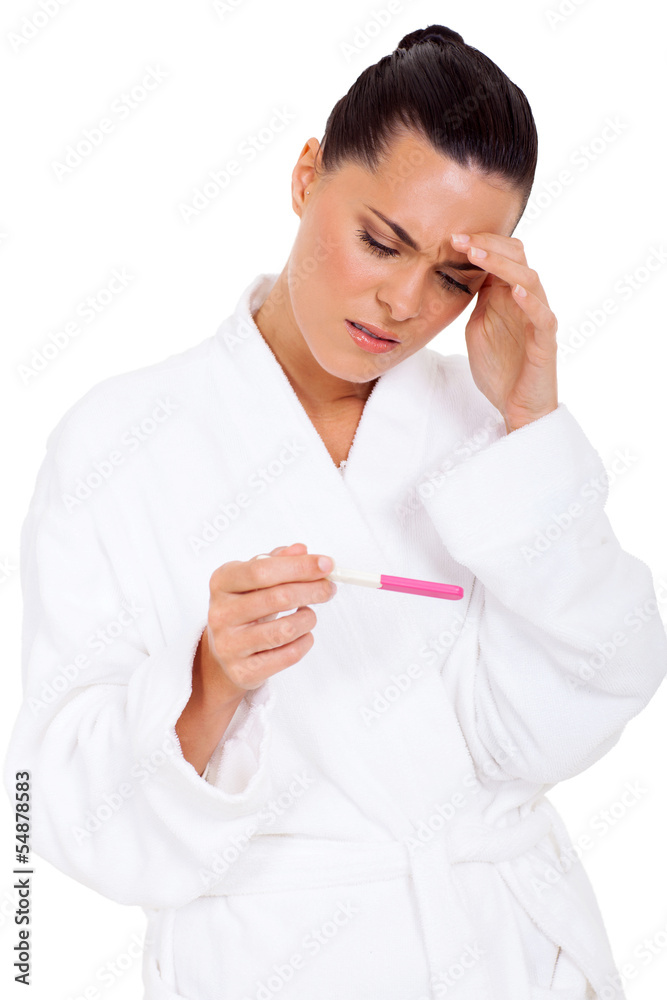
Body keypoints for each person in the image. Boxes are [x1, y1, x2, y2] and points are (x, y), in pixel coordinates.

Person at [5, 22, 667, 1000]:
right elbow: (45, 807)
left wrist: (531, 422)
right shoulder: (116, 442)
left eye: (454, 277)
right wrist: (209, 679)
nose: (402, 301)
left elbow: (588, 699)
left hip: (509, 959)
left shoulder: (487, 434)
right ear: (306, 174)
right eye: (380, 241)